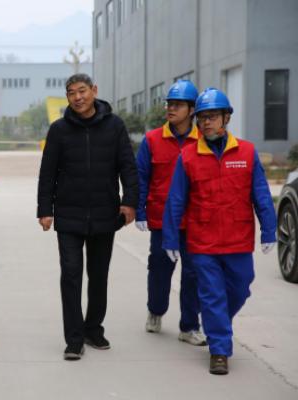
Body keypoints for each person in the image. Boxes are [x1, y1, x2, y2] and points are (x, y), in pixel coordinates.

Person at [162, 87, 276, 375]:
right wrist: (170, 238)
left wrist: (269, 230)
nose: (206, 123)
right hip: (202, 242)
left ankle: (216, 323)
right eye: (202, 118)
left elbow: (261, 193)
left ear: (226, 118)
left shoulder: (246, 152)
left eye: (212, 117)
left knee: (241, 288)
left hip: (238, 239)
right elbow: (176, 200)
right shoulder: (188, 156)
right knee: (212, 294)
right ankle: (220, 350)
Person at [37, 73, 138, 361]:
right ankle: (74, 339)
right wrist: (45, 209)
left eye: (82, 91)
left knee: (98, 276)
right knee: (70, 275)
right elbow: (47, 173)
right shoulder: (59, 130)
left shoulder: (115, 126)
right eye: (71, 93)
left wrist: (130, 202)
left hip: (105, 214)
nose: (78, 97)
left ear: (94, 90)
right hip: (69, 215)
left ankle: (93, 329)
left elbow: (128, 167)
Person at [135, 80, 206, 346]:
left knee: (193, 274)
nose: (170, 109)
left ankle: (189, 326)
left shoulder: (204, 140)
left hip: (196, 221)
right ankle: (155, 311)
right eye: (169, 104)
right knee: (159, 269)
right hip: (162, 220)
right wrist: (140, 211)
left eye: (177, 105)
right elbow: (141, 177)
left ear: (192, 110)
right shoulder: (153, 139)